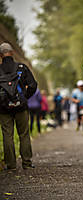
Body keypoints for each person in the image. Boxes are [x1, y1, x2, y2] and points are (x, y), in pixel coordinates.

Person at [0, 42, 37, 170]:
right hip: (21, 107)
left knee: (7, 135)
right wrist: (24, 97)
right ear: (12, 53)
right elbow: (33, 85)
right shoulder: (21, 67)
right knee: (24, 134)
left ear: (0, 56)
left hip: (3, 108)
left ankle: (10, 165)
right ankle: (26, 162)